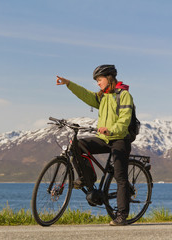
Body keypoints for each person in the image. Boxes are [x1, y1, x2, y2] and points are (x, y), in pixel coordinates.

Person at [56, 64, 134, 226]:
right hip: (105, 138)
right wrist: (69, 84)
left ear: (109, 78)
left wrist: (110, 130)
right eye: (97, 80)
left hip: (120, 138)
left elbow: (125, 120)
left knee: (120, 177)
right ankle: (87, 178)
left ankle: (121, 215)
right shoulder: (103, 97)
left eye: (100, 80)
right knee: (77, 145)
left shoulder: (124, 95)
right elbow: (86, 95)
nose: (98, 83)